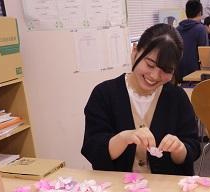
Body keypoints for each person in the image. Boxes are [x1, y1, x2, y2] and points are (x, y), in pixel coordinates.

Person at [81, 24, 200, 176]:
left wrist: (180, 149)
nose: (155, 76)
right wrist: (124, 138)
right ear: (135, 51)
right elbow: (93, 148)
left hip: (166, 191)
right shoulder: (104, 94)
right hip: (117, 191)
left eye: (166, 70)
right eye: (150, 65)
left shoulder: (177, 98)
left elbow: (193, 147)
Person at [177, 0, 209, 82]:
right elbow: (204, 54)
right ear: (200, 13)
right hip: (195, 73)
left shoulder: (177, 29)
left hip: (179, 72)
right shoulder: (201, 29)